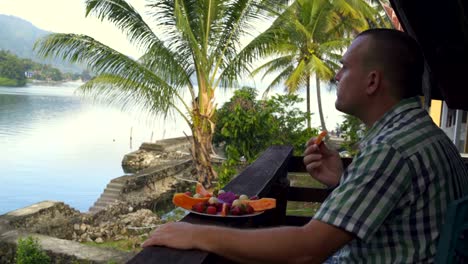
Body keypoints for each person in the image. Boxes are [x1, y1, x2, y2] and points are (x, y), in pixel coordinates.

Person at [142, 28, 468, 263]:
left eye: (344, 67)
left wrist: (196, 234)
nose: (336, 76)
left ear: (372, 81)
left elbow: (308, 248)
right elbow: (403, 214)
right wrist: (344, 179)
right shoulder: (421, 133)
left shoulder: (391, 149)